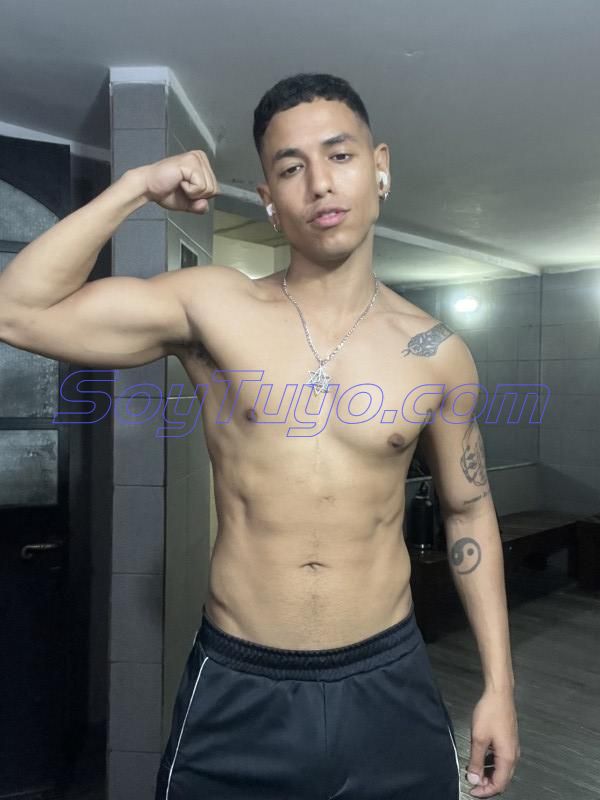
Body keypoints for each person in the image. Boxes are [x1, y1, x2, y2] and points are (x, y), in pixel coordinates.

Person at [0, 72, 520, 799]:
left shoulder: (437, 353)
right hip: (240, 684)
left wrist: (499, 685)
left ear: (380, 168)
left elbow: (468, 512)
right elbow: (18, 311)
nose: (320, 183)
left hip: (388, 681)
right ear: (269, 198)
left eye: (340, 155)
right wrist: (135, 186)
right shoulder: (214, 307)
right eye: (290, 167)